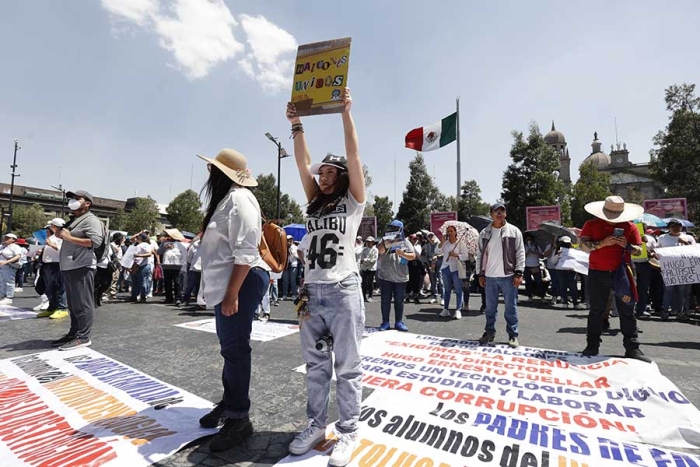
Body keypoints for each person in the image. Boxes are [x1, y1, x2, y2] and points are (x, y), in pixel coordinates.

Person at [286, 88, 366, 467]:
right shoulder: (314, 201)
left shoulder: (352, 202)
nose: (324, 175)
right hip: (311, 290)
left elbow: (354, 153)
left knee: (348, 366)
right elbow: (302, 165)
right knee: (316, 366)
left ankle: (349, 431)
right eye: (323, 172)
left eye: (331, 171)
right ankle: (317, 425)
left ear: (344, 175)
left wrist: (345, 113)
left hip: (343, 288)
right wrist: (296, 126)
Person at [195, 148, 270, 452]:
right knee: (230, 348)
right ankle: (230, 403)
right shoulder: (229, 200)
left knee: (236, 348)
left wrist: (231, 294)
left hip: (241, 280)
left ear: (222, 174)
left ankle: (239, 418)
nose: (209, 174)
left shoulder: (239, 199)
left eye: (213, 169)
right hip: (233, 280)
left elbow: (246, 250)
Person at [579, 196, 650, 362]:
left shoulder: (630, 226)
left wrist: (627, 245)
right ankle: (592, 345)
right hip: (598, 272)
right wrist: (602, 243)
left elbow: (638, 251)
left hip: (623, 273)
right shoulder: (591, 224)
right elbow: (583, 246)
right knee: (596, 310)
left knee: (627, 311)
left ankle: (633, 348)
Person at [52, 190, 106, 350]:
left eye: (77, 198)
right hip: (70, 267)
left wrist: (69, 237)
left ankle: (83, 337)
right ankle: (74, 333)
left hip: (82, 266)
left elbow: (94, 242)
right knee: (74, 303)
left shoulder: (91, 220)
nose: (73, 201)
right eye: (72, 199)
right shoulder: (76, 220)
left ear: (87, 203)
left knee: (83, 303)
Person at [476, 202, 525, 348]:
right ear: (491, 214)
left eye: (502, 211)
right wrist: (480, 274)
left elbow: (520, 252)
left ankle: (513, 334)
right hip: (490, 276)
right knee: (490, 308)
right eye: (496, 211)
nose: (499, 214)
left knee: (510, 307)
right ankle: (489, 332)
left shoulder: (514, 231)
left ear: (505, 214)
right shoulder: (484, 233)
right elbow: (479, 254)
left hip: (509, 275)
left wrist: (519, 272)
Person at [657, 218, 696, 321]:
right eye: (673, 226)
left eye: (678, 226)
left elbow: (694, 252)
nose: (676, 228)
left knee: (682, 292)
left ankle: (681, 312)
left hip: (683, 270)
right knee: (668, 291)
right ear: (669, 228)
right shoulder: (662, 238)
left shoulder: (688, 237)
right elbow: (658, 250)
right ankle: (665, 311)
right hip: (669, 270)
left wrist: (685, 243)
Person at [36, 220, 69, 318]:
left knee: (59, 287)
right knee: (49, 288)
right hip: (46, 265)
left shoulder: (63, 237)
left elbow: (63, 251)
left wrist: (50, 245)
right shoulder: (51, 237)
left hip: (57, 265)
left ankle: (62, 308)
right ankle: (52, 307)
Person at [438, 225, 470, 320]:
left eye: (451, 231)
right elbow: (437, 251)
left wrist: (456, 255)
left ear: (455, 232)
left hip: (456, 269)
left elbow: (465, 256)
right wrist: (441, 242)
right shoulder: (445, 243)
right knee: (447, 289)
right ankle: (446, 309)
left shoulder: (461, 243)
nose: (449, 233)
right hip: (445, 267)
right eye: (448, 231)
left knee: (458, 289)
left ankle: (458, 310)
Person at [159, 229, 188, 306]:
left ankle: (178, 298)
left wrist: (183, 266)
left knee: (177, 283)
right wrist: (165, 247)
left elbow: (184, 255)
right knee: (167, 283)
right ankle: (168, 298)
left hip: (177, 266)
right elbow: (159, 252)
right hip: (166, 266)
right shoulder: (164, 243)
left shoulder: (181, 245)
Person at [131, 233, 154, 303]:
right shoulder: (138, 245)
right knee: (136, 281)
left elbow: (149, 253)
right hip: (137, 265)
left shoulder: (145, 244)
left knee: (142, 282)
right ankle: (134, 296)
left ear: (141, 238)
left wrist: (138, 255)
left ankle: (143, 297)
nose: (137, 238)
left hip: (143, 265)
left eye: (138, 237)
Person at [0, 233, 23, 305]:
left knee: (9, 281)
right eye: (5, 238)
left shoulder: (15, 247)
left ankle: (9, 297)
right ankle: (2, 294)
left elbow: (18, 256)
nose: (6, 239)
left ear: (13, 239)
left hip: (9, 266)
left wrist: (7, 262)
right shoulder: (2, 246)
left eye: (8, 238)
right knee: (2, 281)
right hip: (2, 266)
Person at [523, 233, 545, 301]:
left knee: (539, 282)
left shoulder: (536, 246)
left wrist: (535, 253)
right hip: (527, 266)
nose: (528, 241)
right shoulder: (523, 246)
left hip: (535, 266)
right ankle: (529, 296)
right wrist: (527, 253)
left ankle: (542, 296)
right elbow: (521, 257)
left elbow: (542, 256)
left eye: (530, 239)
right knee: (528, 282)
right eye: (527, 239)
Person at [183, 235, 203, 306]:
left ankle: (199, 302)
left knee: (201, 287)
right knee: (191, 285)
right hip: (194, 269)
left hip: (203, 270)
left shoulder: (209, 246)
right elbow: (189, 257)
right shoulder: (194, 246)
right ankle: (186, 299)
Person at [359, 236, 378, 302]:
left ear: (373, 242)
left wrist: (366, 260)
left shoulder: (375, 250)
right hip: (364, 268)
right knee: (364, 283)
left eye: (370, 242)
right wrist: (366, 260)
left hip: (371, 268)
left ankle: (370, 296)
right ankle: (363, 296)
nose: (368, 243)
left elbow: (373, 260)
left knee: (370, 282)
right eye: (367, 242)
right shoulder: (364, 249)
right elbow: (361, 259)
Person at [282, 235, 300, 300]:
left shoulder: (295, 247)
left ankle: (294, 294)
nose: (290, 241)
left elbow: (298, 256)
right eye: (288, 240)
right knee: (285, 281)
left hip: (293, 265)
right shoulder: (284, 247)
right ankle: (284, 294)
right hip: (286, 265)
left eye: (291, 240)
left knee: (293, 280)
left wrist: (293, 253)